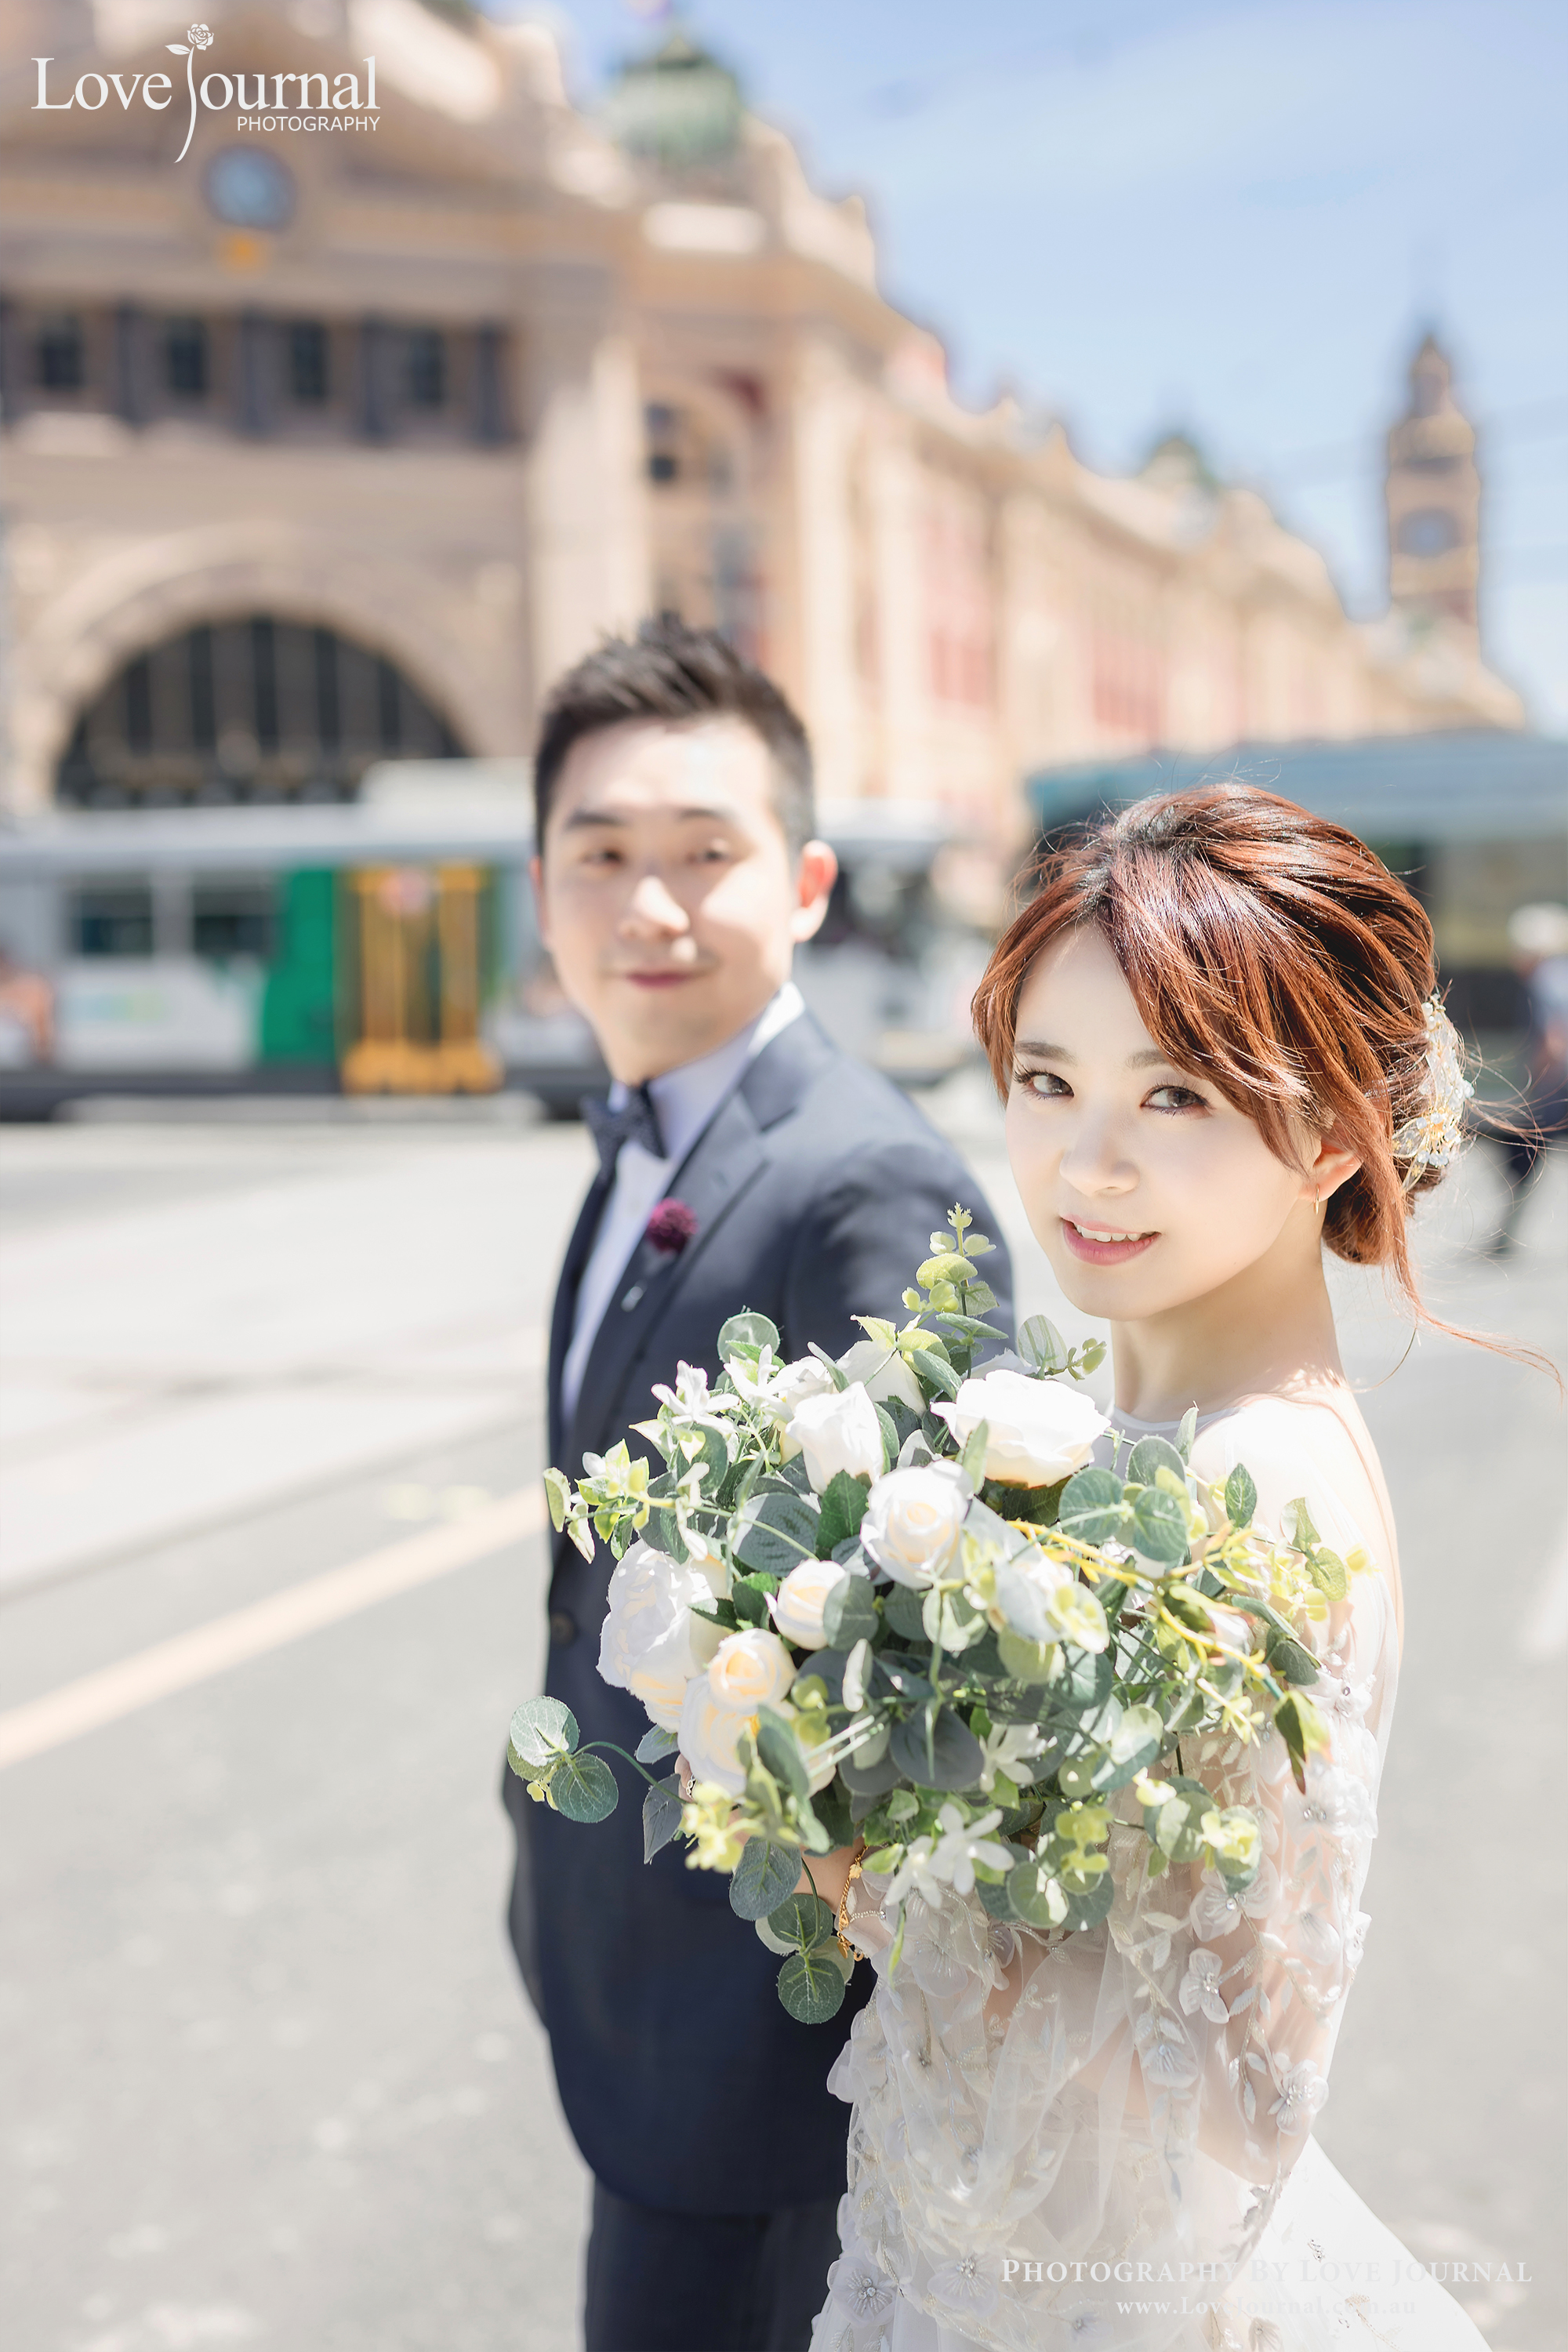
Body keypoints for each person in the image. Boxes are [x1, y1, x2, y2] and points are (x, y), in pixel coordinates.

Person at [807, 786, 1497, 2350]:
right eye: (1044, 1081)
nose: (1083, 1162)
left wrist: (875, 1884)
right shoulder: (1106, 1422)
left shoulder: (1256, 1478)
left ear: (1332, 1130)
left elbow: (1248, 2089)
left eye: (1174, 1095)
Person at [501, 618, 1015, 2352]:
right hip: (633, 2001)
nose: (650, 905)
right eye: (603, 855)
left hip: (772, 2063)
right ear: (542, 886)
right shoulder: (652, 1129)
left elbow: (928, 1687)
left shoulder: (861, 1181)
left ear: (799, 881)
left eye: (702, 854)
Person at [1484, 902, 1568, 1254]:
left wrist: (1538, 1090)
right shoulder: (1560, 973)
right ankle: (1505, 1236)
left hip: (1556, 1091)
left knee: (1523, 1153)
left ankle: (1505, 1237)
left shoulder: (1545, 978)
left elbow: (1554, 1039)